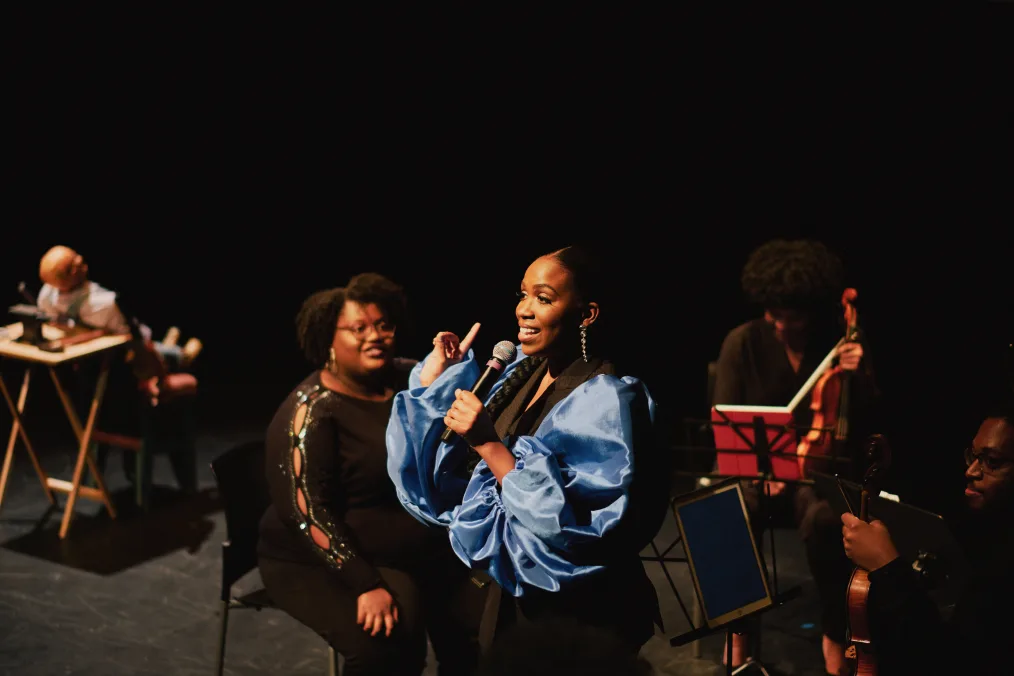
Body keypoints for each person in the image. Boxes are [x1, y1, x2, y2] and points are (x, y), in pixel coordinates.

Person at [386, 245, 669, 656]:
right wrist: (436, 380)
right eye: (522, 295)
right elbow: (446, 483)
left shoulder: (608, 401)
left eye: (544, 298)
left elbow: (570, 524)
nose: (525, 309)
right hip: (516, 595)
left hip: (579, 613)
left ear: (587, 314)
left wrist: (488, 444)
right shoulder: (522, 370)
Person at [257, 274, 484, 676]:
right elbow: (305, 513)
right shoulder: (311, 412)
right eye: (358, 328)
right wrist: (363, 582)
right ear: (329, 337)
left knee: (479, 625)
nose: (374, 336)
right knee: (387, 643)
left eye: (382, 325)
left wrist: (448, 376)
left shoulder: (407, 380)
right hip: (317, 557)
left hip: (411, 548)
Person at [711, 238, 882, 673]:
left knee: (827, 518)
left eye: (795, 316)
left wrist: (857, 375)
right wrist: (758, 471)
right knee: (730, 509)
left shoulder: (836, 343)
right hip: (757, 474)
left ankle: (833, 626)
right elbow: (725, 420)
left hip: (812, 476)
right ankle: (739, 626)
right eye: (775, 314)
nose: (783, 324)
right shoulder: (742, 342)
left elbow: (864, 423)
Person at [841, 399, 1014, 675]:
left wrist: (888, 567)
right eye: (973, 455)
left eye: (992, 462)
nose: (971, 472)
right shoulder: (978, 526)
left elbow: (943, 658)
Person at [36, 245, 202, 370]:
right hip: (101, 350)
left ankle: (176, 352)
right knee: (150, 348)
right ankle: (176, 350)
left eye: (75, 257)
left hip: (124, 341)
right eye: (71, 265)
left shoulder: (101, 302)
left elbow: (128, 336)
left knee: (148, 346)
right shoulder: (50, 296)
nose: (80, 260)